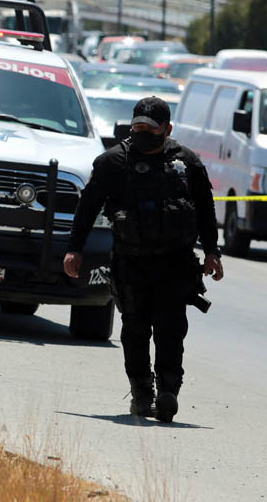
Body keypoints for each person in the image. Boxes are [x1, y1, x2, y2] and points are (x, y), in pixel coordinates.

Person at [63, 97, 224, 423]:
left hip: (175, 263)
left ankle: (168, 390)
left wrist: (212, 251)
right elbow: (87, 208)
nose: (142, 133)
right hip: (130, 262)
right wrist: (74, 249)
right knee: (134, 329)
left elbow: (206, 209)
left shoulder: (187, 163)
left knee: (171, 327)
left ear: (168, 129)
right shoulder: (113, 162)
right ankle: (141, 392)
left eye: (150, 129)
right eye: (137, 127)